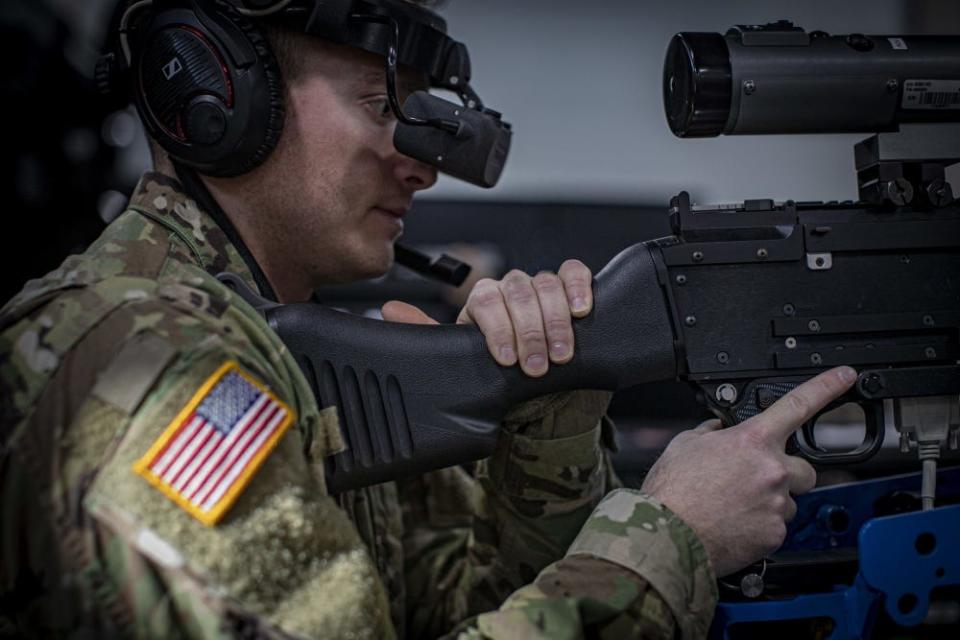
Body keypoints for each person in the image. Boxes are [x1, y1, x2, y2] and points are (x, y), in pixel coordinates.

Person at [0, 1, 857, 637]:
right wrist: (673, 543)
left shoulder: (277, 347)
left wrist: (551, 410)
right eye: (382, 106)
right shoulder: (152, 364)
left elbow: (453, 609)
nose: (423, 167)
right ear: (215, 97)